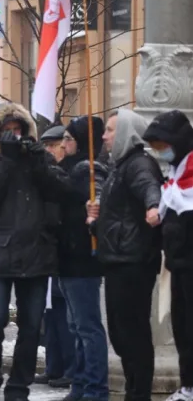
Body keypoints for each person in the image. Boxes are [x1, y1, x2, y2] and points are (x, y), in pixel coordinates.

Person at [0, 102, 67, 401]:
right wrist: (7, 161)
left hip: (36, 254)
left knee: (30, 326)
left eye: (18, 131)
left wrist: (39, 164)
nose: (13, 137)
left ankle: (18, 388)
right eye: (7, 132)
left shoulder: (40, 159)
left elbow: (59, 192)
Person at [86, 109, 162, 401]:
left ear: (127, 133)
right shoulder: (121, 166)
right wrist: (96, 221)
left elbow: (149, 189)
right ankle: (134, 389)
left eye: (110, 130)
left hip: (133, 262)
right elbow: (119, 217)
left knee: (133, 333)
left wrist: (154, 206)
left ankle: (138, 393)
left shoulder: (139, 163)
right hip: (118, 259)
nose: (104, 136)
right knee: (119, 333)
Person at [54, 116, 110, 401]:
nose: (64, 144)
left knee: (87, 327)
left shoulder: (90, 170)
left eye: (69, 139)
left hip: (82, 260)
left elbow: (98, 203)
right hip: (67, 258)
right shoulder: (70, 168)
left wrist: (93, 210)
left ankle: (95, 388)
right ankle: (80, 384)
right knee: (76, 326)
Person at [143, 110, 193, 401]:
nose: (162, 152)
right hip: (177, 265)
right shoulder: (174, 178)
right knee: (183, 329)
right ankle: (188, 384)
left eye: (165, 146)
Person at [35, 124, 76, 389]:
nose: (50, 150)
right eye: (46, 146)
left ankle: (69, 369)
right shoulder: (45, 173)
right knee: (50, 315)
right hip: (45, 253)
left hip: (65, 252)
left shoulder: (71, 173)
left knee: (65, 316)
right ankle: (53, 366)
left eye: (54, 145)